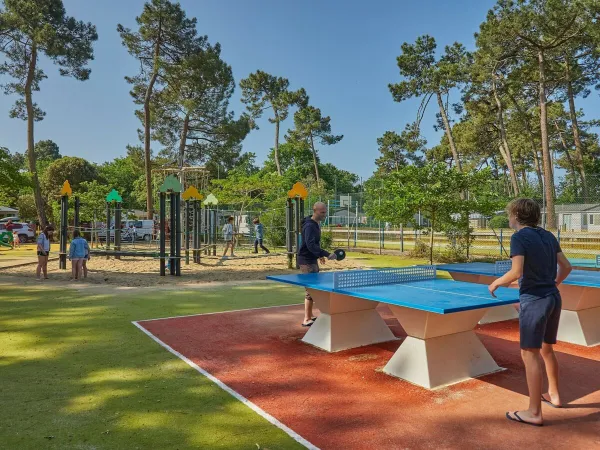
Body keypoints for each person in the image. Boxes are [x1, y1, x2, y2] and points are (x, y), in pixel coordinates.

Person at [488, 198, 572, 427]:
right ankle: (554, 395)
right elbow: (566, 266)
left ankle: (534, 412)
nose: (508, 217)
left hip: (534, 300)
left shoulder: (518, 237)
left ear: (516, 214)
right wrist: (553, 284)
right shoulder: (548, 236)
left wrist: (496, 282)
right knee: (546, 349)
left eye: (509, 214)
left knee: (529, 353)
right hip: (553, 298)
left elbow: (516, 272)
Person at [297, 202, 337, 327]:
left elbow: (314, 244)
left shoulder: (315, 223)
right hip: (306, 261)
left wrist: (318, 255)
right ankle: (306, 319)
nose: (324, 214)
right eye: (322, 212)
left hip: (311, 259)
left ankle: (310, 315)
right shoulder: (309, 226)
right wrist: (325, 253)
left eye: (325, 211)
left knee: (314, 289)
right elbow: (310, 245)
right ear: (315, 210)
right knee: (311, 290)